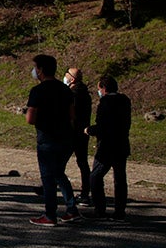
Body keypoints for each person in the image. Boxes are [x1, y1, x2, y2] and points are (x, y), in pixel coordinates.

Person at [26, 54, 80, 226]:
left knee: (48, 178)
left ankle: (50, 214)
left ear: (40, 70)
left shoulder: (38, 91)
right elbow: (72, 115)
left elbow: (30, 118)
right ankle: (72, 208)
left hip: (47, 138)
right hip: (65, 137)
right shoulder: (66, 90)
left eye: (35, 67)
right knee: (59, 174)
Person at [86, 75, 132, 221]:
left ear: (103, 89)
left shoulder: (105, 103)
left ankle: (100, 209)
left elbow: (103, 126)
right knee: (119, 178)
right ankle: (120, 210)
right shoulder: (124, 101)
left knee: (95, 176)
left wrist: (89, 130)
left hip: (107, 146)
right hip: (121, 143)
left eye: (99, 89)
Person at [66, 67, 93, 205]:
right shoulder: (85, 94)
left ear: (72, 79)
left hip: (73, 133)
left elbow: (71, 115)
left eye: (67, 74)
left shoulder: (73, 94)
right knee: (82, 163)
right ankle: (85, 192)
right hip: (82, 132)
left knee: (59, 162)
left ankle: (50, 187)